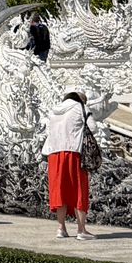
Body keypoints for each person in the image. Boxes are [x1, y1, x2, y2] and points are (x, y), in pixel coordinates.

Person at [41, 90, 95, 240]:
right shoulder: (81, 108)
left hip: (54, 153)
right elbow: (94, 128)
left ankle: (61, 228)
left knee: (59, 190)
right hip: (74, 152)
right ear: (81, 100)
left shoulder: (54, 111)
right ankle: (81, 230)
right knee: (79, 189)